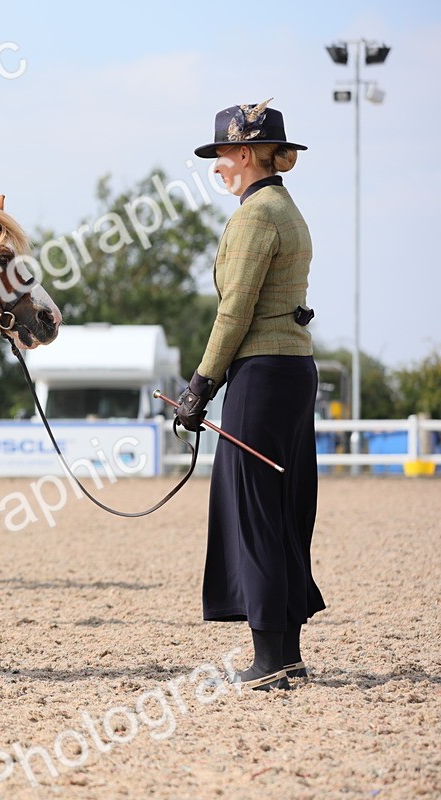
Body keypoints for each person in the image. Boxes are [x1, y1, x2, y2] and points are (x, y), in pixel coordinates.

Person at [178, 100, 323, 691]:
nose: (216, 167)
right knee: (285, 510)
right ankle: (285, 652)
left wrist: (200, 385)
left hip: (260, 374)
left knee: (255, 512)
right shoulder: (286, 208)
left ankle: (268, 660)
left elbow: (234, 311)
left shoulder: (253, 216)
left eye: (220, 155)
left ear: (244, 153)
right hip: (294, 371)